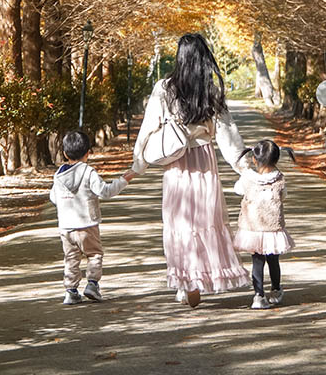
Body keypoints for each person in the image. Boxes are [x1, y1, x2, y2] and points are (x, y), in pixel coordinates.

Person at [132, 32, 250, 307]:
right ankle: (203, 278)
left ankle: (185, 282)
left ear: (180, 57)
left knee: (179, 224)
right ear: (204, 58)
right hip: (205, 163)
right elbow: (228, 135)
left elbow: (149, 126)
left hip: (176, 165)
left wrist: (138, 162)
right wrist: (244, 167)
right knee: (206, 222)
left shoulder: (164, 88)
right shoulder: (212, 90)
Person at [49, 128, 135, 305]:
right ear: (88, 153)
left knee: (71, 258)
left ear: (65, 153)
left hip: (66, 227)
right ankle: (92, 284)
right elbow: (105, 192)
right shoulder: (89, 172)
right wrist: (124, 179)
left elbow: (53, 197)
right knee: (94, 254)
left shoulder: (58, 175)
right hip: (87, 224)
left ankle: (71, 291)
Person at [233, 138, 294, 309]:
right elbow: (284, 196)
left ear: (254, 159)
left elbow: (237, 190)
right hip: (272, 229)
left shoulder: (247, 178)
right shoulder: (280, 179)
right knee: (273, 262)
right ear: (276, 159)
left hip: (252, 229)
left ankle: (258, 296)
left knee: (257, 262)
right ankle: (276, 290)